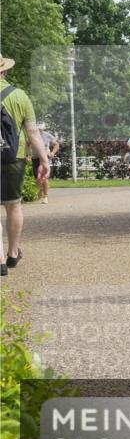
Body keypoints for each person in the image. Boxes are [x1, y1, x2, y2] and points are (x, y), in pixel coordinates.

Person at [1, 57, 50, 276]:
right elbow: (32, 132)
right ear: (4, 71)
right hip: (14, 157)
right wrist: (44, 160)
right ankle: (12, 254)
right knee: (13, 206)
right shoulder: (19, 96)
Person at [31, 123, 59, 204]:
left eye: (41, 129)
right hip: (35, 157)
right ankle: (41, 190)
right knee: (37, 178)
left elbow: (56, 145)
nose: (39, 130)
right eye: (38, 129)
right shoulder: (32, 135)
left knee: (44, 177)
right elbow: (27, 144)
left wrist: (52, 153)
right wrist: (27, 155)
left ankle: (45, 196)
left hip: (44, 157)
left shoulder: (47, 135)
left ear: (43, 129)